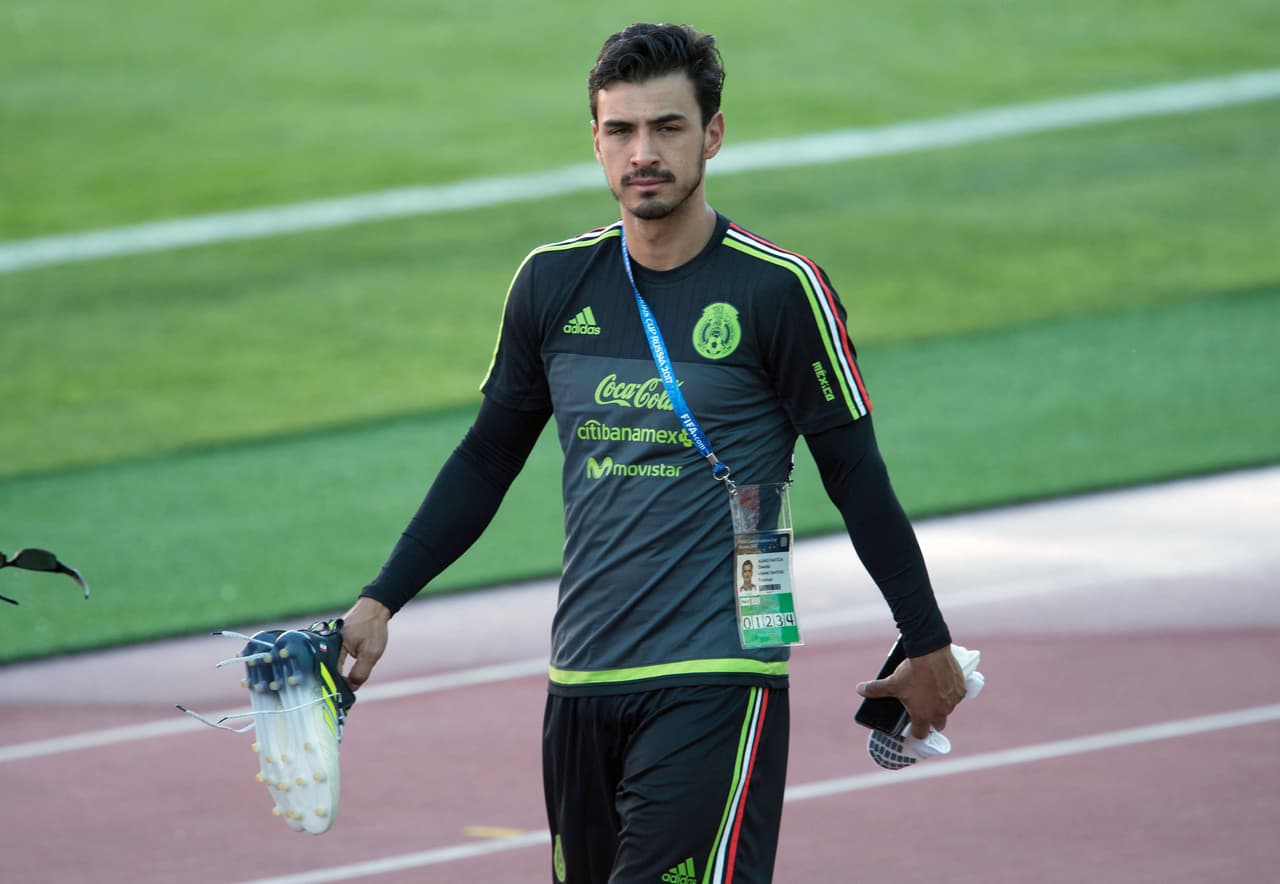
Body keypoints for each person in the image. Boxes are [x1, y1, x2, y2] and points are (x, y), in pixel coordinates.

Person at [338, 21, 966, 884]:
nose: (644, 152)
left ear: (712, 134)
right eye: (621, 130)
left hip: (718, 674)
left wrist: (924, 636)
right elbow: (488, 459)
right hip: (581, 677)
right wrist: (381, 600)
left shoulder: (777, 289)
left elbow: (855, 476)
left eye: (668, 128)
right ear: (595, 141)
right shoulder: (552, 284)